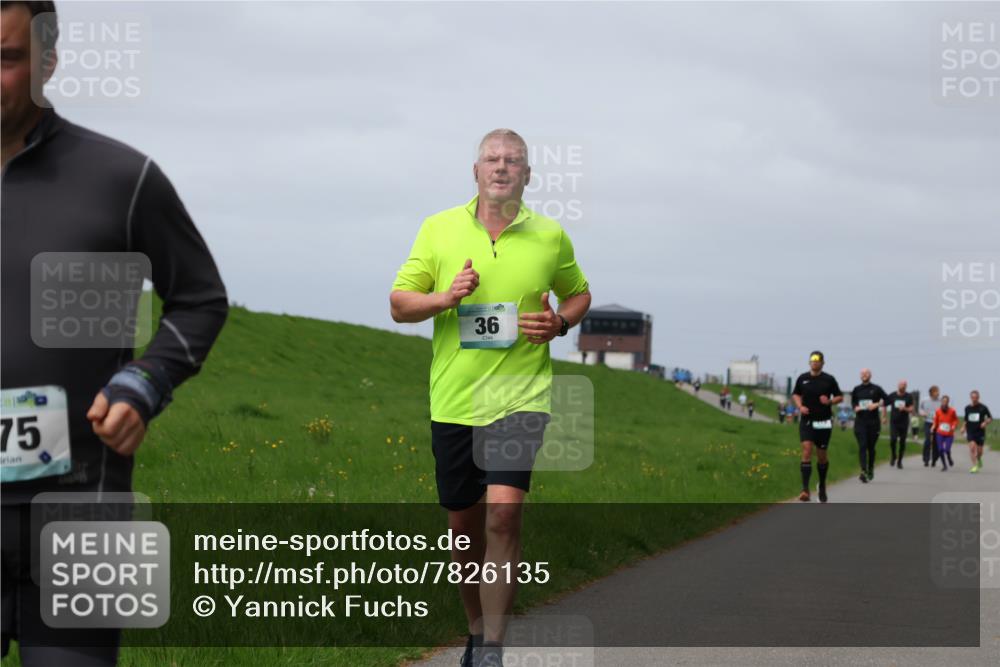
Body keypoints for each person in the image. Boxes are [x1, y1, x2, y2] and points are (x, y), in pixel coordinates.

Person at [1, 3, 228, 664]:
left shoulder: (121, 179)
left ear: (48, 62)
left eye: (6, 59)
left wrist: (144, 383)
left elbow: (199, 298)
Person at [390, 129, 591, 667]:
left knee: (503, 515)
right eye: (492, 159)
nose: (502, 167)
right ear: (475, 171)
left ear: (528, 175)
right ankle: (477, 633)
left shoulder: (550, 236)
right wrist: (445, 297)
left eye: (513, 160)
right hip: (454, 400)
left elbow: (578, 294)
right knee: (464, 531)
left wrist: (559, 323)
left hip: (520, 396)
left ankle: (493, 651)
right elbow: (399, 305)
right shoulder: (438, 229)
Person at [792, 351, 844, 503]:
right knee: (807, 450)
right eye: (812, 360)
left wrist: (830, 401)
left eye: (817, 360)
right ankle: (805, 489)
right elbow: (795, 394)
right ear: (809, 362)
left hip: (823, 421)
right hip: (807, 420)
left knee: (822, 456)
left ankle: (822, 485)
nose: (814, 362)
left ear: (822, 363)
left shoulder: (829, 379)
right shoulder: (802, 378)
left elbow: (839, 397)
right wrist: (800, 406)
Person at [850, 369, 887, 484]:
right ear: (860, 376)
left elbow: (888, 400)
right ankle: (863, 471)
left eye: (866, 373)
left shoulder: (876, 388)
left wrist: (877, 404)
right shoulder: (856, 389)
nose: (864, 375)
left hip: (873, 423)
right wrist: (855, 407)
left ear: (870, 375)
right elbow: (853, 402)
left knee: (870, 448)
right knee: (862, 446)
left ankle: (870, 468)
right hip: (860, 422)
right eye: (862, 373)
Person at [885, 380, 914, 468]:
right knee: (893, 440)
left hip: (904, 422)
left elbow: (911, 409)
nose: (903, 386)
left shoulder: (909, 396)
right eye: (901, 384)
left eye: (905, 385)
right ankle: (894, 455)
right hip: (894, 422)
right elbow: (884, 404)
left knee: (902, 442)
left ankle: (900, 461)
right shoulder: (892, 395)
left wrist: (905, 409)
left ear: (906, 386)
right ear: (898, 385)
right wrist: (883, 416)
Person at [962, 390, 992, 473]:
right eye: (973, 397)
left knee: (979, 451)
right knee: (972, 448)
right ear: (970, 398)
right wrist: (963, 427)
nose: (974, 399)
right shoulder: (967, 408)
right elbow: (966, 419)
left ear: (978, 398)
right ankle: (975, 466)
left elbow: (990, 418)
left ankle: (979, 459)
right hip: (970, 431)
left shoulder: (983, 408)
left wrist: (985, 423)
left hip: (980, 432)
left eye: (976, 397)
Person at [932, 396, 960, 471]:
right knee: (940, 449)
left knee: (947, 449)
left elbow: (956, 420)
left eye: (946, 401)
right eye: (943, 401)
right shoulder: (938, 411)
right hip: (940, 433)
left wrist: (954, 425)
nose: (944, 403)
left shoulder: (952, 411)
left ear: (948, 402)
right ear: (941, 402)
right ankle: (944, 465)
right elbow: (935, 421)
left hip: (949, 434)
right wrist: (933, 426)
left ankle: (949, 457)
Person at [919, 385, 942, 467]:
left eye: (938, 391)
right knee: (928, 440)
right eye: (936, 391)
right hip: (928, 422)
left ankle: (934, 459)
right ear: (931, 393)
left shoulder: (941, 401)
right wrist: (922, 413)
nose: (938, 393)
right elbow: (920, 409)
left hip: (937, 424)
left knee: (936, 442)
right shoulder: (924, 400)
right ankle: (926, 459)